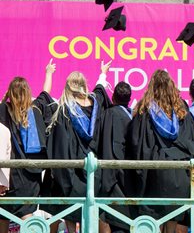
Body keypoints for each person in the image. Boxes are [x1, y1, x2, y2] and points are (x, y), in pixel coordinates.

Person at [124, 70, 194, 233]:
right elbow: (191, 142)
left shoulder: (144, 110)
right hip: (178, 173)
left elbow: (136, 144)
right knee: (172, 221)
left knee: (153, 222)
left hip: (154, 173)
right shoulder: (182, 110)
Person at [45, 61, 112, 233]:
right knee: (89, 216)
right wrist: (103, 73)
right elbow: (99, 90)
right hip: (94, 171)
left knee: (70, 214)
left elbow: (59, 147)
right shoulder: (96, 103)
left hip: (73, 173)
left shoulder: (64, 111)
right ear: (84, 85)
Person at [0, 59, 55, 233]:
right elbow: (45, 93)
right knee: (27, 215)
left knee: (3, 215)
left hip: (9, 175)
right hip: (31, 175)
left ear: (10, 93)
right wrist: (49, 73)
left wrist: (4, 99)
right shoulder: (36, 109)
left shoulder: (3, 111)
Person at [98, 81, 132, 233]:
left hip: (106, 174)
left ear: (113, 97)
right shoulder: (132, 117)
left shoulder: (105, 114)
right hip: (126, 174)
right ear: (129, 99)